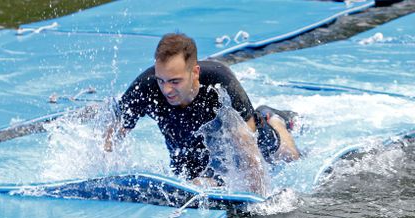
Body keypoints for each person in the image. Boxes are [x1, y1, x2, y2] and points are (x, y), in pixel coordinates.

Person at [104, 33, 299, 193]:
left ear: (194, 72)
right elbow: (113, 136)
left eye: (175, 81)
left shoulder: (220, 80)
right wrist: (106, 175)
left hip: (244, 142)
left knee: (287, 155)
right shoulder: (145, 87)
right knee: (194, 180)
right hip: (189, 152)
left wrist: (259, 196)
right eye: (161, 80)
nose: (166, 90)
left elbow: (247, 145)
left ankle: (276, 121)